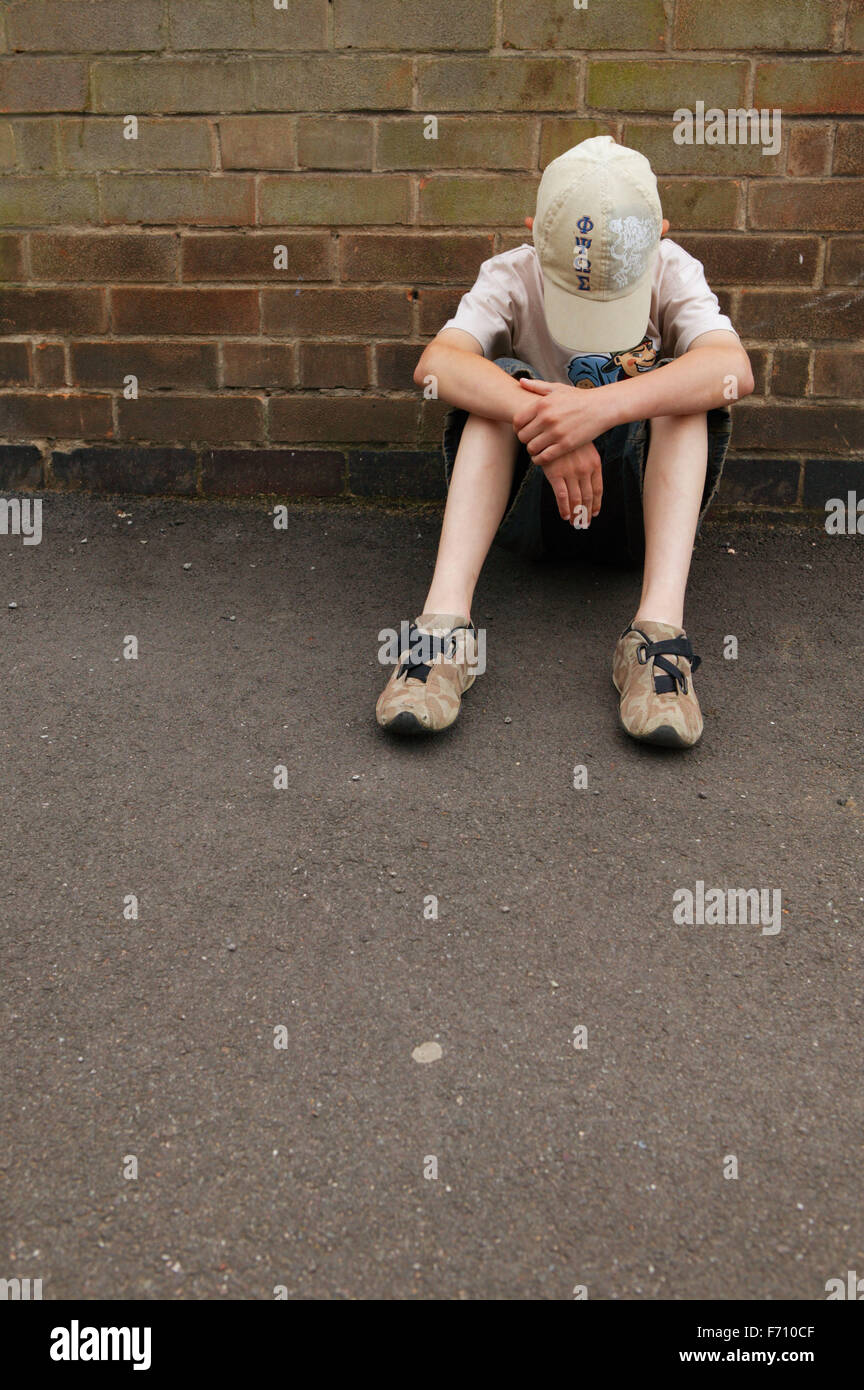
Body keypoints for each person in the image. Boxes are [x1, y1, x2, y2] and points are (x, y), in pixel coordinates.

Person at [376, 136, 753, 748]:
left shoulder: (673, 268)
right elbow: (436, 366)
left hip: (637, 516)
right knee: (498, 385)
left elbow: (733, 370)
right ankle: (443, 630)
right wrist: (546, 419)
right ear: (532, 233)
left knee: (687, 395)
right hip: (535, 511)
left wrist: (595, 409)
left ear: (661, 233)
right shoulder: (512, 275)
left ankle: (657, 640)